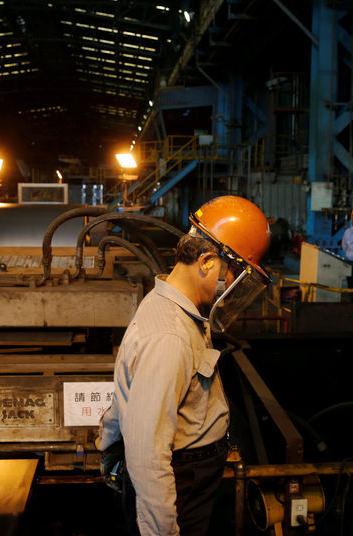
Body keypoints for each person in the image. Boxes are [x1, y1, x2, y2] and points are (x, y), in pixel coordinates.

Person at [98, 196, 271, 536]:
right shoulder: (169, 336)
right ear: (207, 261)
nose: (232, 286)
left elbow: (127, 404)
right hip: (182, 484)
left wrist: (109, 440)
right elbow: (148, 456)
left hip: (191, 477)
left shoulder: (177, 308)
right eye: (234, 273)